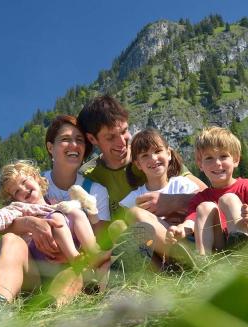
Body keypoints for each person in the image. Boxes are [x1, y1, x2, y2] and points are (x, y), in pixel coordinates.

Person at [0, 115, 111, 308]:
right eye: (65, 139)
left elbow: (100, 236)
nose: (73, 145)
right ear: (50, 147)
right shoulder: (34, 184)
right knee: (10, 239)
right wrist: (31, 223)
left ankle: (49, 307)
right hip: (35, 267)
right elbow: (6, 222)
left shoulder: (94, 191)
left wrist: (73, 253)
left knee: (74, 265)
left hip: (73, 265)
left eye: (79, 139)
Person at [77, 95, 206, 263]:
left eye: (124, 131)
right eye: (110, 137)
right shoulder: (88, 175)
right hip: (140, 246)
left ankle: (186, 259)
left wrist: (174, 201)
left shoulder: (153, 156)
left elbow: (208, 196)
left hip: (178, 233)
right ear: (92, 139)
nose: (121, 142)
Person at [166, 126, 248, 255]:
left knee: (228, 199)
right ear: (200, 164)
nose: (217, 163)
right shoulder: (200, 199)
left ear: (236, 160)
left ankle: (241, 246)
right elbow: (191, 222)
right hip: (225, 252)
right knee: (204, 207)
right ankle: (203, 259)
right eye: (209, 158)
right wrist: (181, 230)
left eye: (223, 156)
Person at [0, 160, 103, 266]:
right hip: (41, 250)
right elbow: (5, 214)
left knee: (76, 213)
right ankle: (76, 259)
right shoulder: (20, 207)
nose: (23, 190)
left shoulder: (54, 203)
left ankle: (93, 253)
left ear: (36, 179)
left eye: (24, 182)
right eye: (16, 192)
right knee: (56, 217)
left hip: (63, 247)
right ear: (14, 199)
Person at [119, 128, 201, 260]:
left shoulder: (182, 184)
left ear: (168, 153)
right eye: (145, 155)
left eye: (158, 151)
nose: (153, 158)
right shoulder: (134, 197)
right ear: (138, 164)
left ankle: (182, 257)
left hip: (187, 241)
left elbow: (202, 208)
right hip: (156, 254)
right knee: (134, 214)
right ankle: (177, 259)